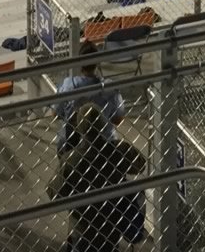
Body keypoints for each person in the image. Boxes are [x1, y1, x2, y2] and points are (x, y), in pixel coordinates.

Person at [52, 104, 148, 252]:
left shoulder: (70, 160)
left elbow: (54, 193)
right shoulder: (117, 151)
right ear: (103, 125)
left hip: (82, 229)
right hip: (111, 225)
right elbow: (140, 164)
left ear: (79, 128)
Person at [55, 56, 125, 152]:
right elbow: (118, 119)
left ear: (81, 66)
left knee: (64, 139)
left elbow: (56, 114)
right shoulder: (109, 88)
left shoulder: (68, 85)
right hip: (105, 144)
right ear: (97, 64)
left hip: (73, 143)